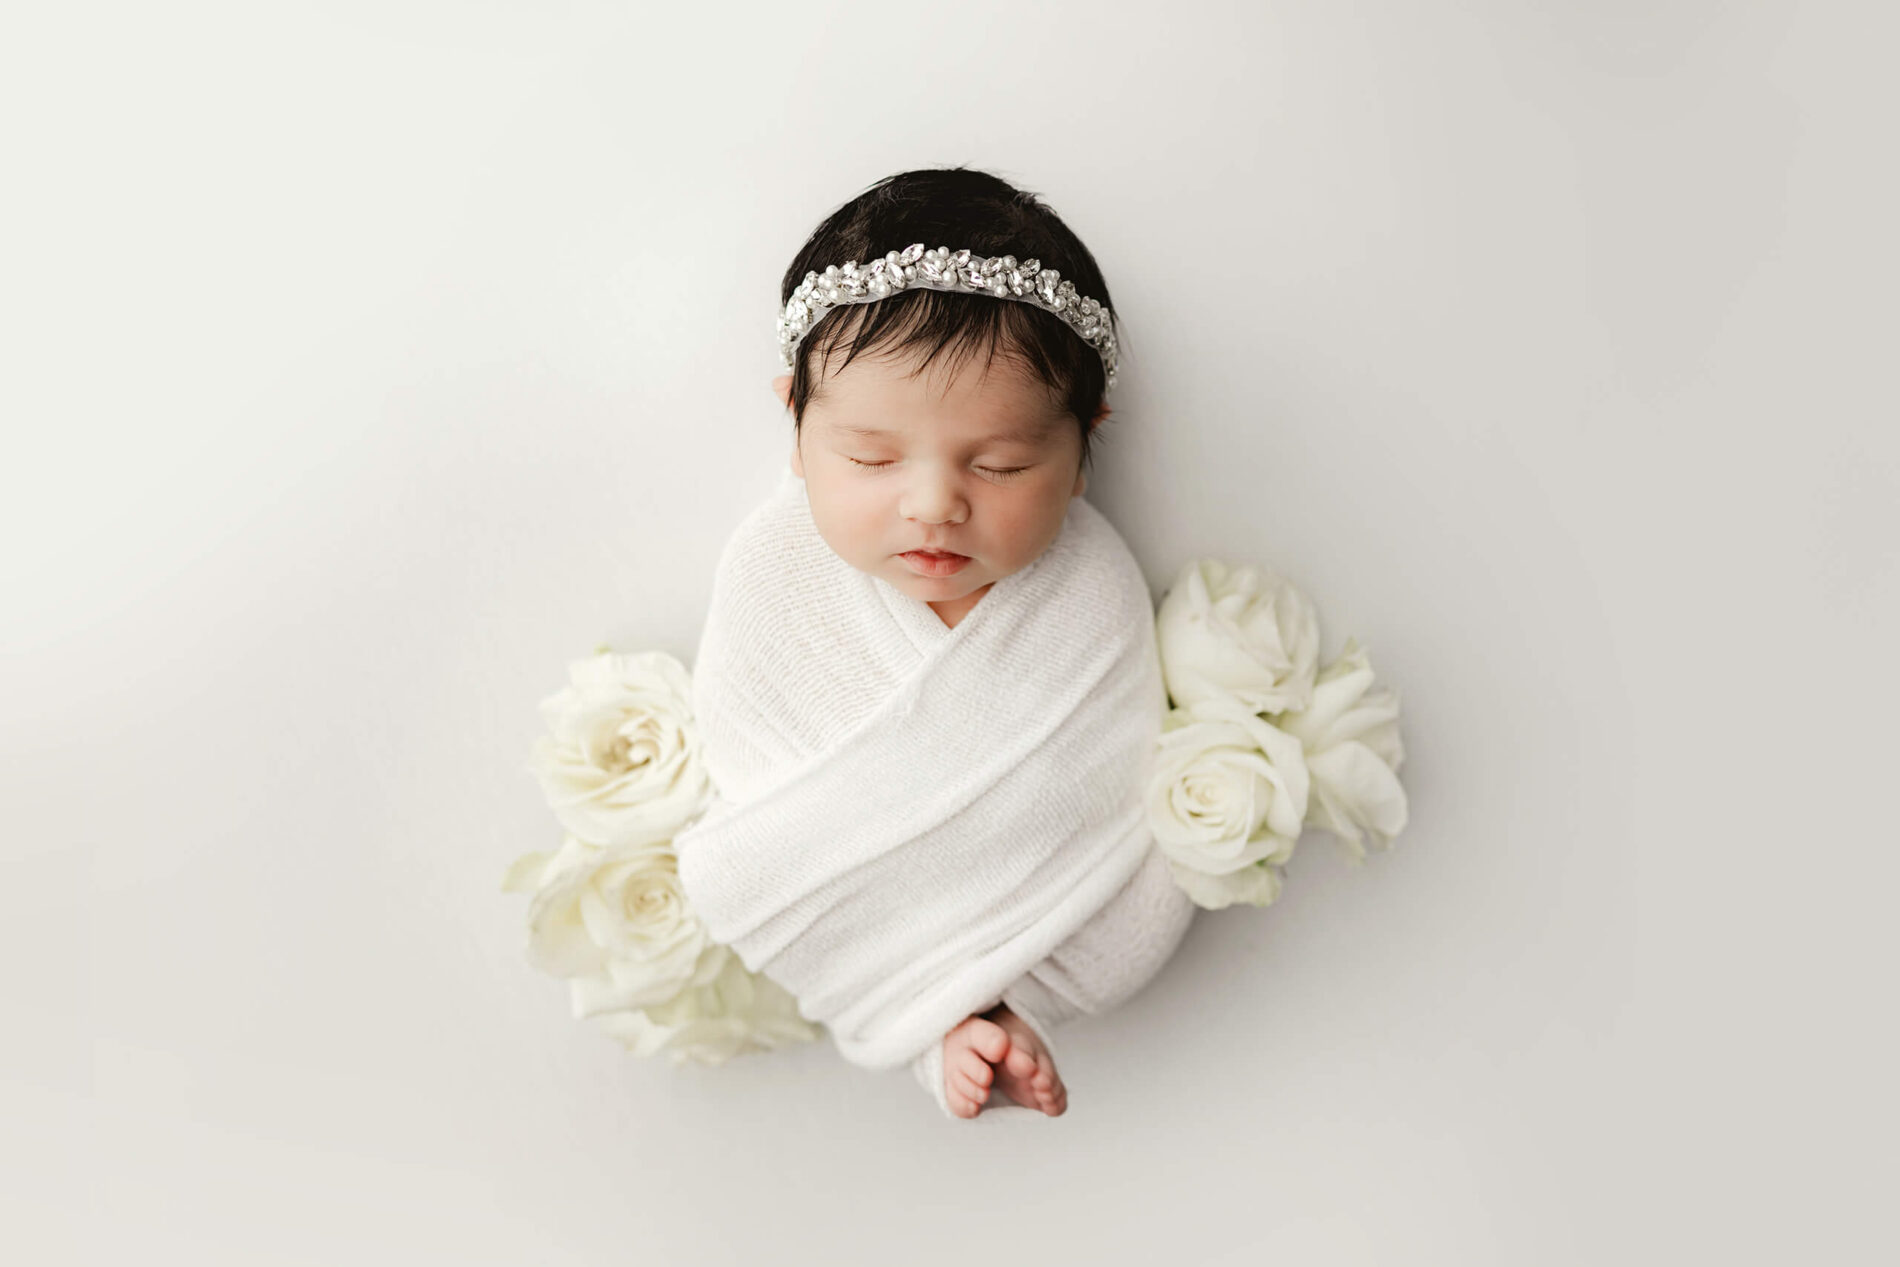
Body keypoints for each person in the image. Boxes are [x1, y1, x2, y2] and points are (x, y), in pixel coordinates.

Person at [751, 167, 1196, 1119]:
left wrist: (1004, 953)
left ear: (1083, 450)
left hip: (1062, 925)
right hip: (852, 912)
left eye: (1001, 464)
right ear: (794, 425)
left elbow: (1104, 783)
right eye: (870, 457)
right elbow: (753, 779)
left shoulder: (1090, 591)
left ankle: (998, 1007)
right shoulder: (773, 576)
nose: (935, 504)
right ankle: (939, 1013)